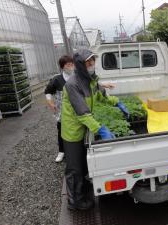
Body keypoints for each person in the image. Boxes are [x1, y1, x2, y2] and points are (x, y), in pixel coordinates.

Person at [61, 49, 129, 210]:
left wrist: (117, 102)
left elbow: (101, 95)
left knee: (83, 164)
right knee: (74, 167)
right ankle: (74, 202)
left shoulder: (89, 80)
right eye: (88, 62)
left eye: (93, 61)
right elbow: (83, 114)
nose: (91, 64)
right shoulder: (73, 84)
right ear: (80, 64)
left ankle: (82, 190)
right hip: (73, 131)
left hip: (82, 127)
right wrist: (101, 129)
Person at [45, 55, 74, 163]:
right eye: (68, 65)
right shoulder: (57, 79)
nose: (71, 67)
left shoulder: (77, 77)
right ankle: (62, 151)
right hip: (62, 111)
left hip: (76, 111)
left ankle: (75, 151)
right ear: (62, 67)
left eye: (72, 64)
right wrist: (51, 103)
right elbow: (47, 91)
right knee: (61, 131)